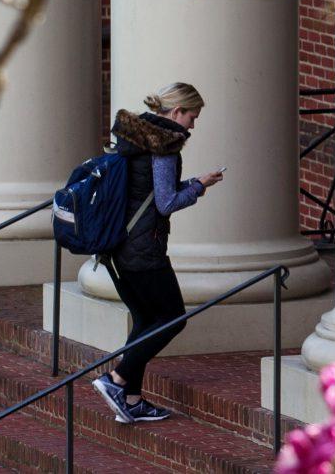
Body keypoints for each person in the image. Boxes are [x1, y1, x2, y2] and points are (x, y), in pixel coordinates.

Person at [90, 82, 224, 424]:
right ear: (177, 112)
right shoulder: (164, 146)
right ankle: (116, 379)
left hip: (117, 247)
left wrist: (191, 181)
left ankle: (131, 401)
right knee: (173, 317)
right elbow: (165, 203)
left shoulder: (133, 137)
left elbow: (148, 191)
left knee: (146, 320)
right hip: (143, 250)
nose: (192, 125)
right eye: (192, 116)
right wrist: (199, 187)